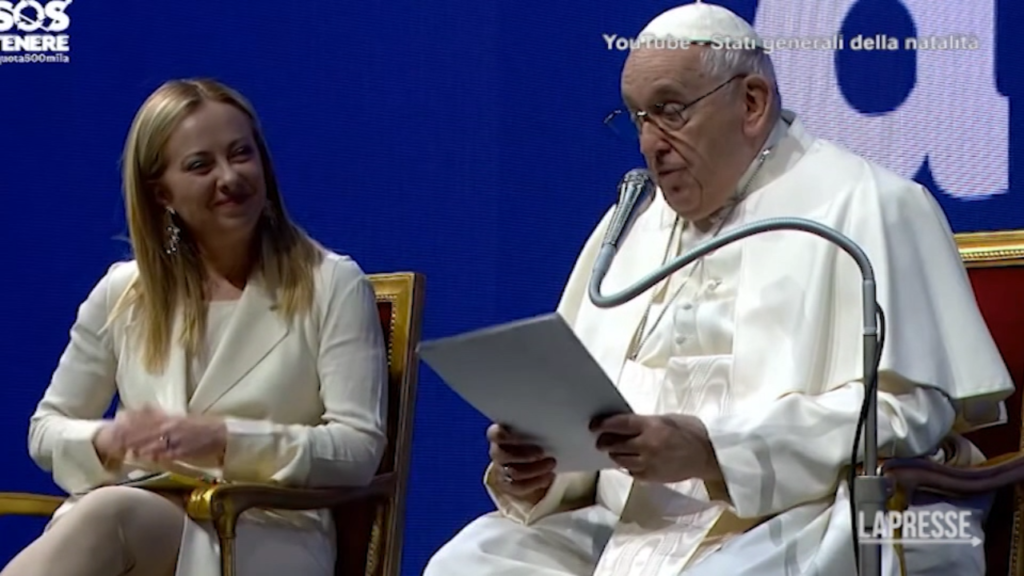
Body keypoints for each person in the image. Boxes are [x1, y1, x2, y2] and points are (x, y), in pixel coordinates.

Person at [424, 2, 1013, 575]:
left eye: (669, 111)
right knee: (468, 562)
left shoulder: (869, 204)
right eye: (637, 117)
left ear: (752, 102)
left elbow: (911, 412)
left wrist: (713, 449)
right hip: (624, 527)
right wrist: (544, 464)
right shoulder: (631, 222)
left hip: (793, 516)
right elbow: (584, 418)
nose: (649, 143)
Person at [0, 78, 388, 576]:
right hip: (142, 513)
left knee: (107, 515)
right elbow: (46, 428)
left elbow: (358, 449)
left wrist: (225, 441)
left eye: (241, 154)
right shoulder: (124, 292)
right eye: (201, 166)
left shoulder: (332, 284)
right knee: (105, 514)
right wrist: (107, 440)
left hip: (262, 530)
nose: (230, 177)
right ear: (161, 192)